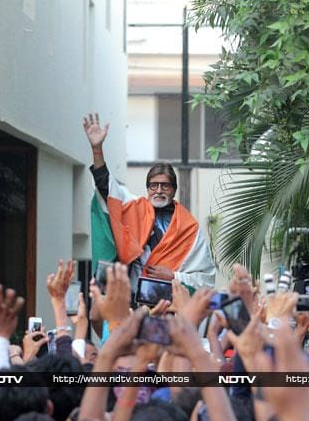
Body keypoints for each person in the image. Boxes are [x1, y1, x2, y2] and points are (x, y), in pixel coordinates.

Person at [83, 113, 216, 297]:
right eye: (154, 185)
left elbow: (207, 280)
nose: (159, 190)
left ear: (174, 189)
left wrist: (173, 276)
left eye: (165, 185)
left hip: (171, 310)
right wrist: (97, 150)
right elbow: (107, 187)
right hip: (133, 306)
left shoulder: (189, 228)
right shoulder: (132, 207)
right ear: (148, 188)